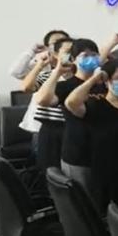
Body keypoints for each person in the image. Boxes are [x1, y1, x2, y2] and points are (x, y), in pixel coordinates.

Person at [64, 58, 118, 216]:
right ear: (107, 81)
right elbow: (71, 102)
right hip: (108, 176)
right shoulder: (97, 106)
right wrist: (94, 79)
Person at [34, 38, 101, 171]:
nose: (91, 59)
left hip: (101, 150)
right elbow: (42, 100)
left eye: (94, 55)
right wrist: (57, 72)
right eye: (85, 55)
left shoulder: (105, 84)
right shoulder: (66, 85)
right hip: (78, 152)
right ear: (73, 59)